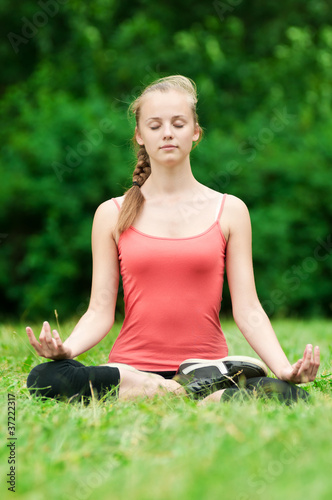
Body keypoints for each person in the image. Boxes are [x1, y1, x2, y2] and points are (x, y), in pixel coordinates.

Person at [26, 75, 320, 405]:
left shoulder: (229, 210)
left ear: (195, 132)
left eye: (178, 123)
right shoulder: (111, 214)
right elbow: (99, 311)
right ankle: (183, 392)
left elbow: (249, 308)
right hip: (131, 371)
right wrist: (67, 349)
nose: (167, 132)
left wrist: (282, 367)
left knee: (292, 396)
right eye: (155, 125)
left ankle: (201, 384)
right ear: (139, 135)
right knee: (44, 378)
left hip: (209, 364)